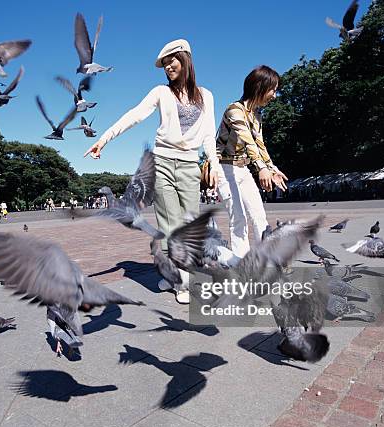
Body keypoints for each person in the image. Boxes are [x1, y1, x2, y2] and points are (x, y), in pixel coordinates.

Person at [84, 39, 221, 304]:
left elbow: (208, 135)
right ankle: (179, 280)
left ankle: (177, 273)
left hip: (190, 165)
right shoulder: (161, 92)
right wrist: (104, 138)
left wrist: (213, 165)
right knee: (170, 223)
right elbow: (134, 115)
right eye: (165, 63)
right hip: (163, 162)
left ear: (186, 60)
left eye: (173, 60)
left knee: (190, 223)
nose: (168, 66)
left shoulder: (207, 96)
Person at [216, 65, 288, 258]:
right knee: (238, 219)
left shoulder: (256, 115)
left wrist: (272, 169)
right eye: (273, 89)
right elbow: (247, 140)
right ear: (259, 87)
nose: (274, 95)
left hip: (243, 169)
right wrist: (262, 169)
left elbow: (259, 144)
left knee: (259, 216)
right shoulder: (234, 111)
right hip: (224, 170)